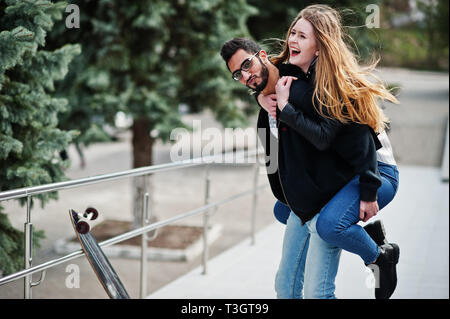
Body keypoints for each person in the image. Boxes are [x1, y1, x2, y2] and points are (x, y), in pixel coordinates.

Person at [220, 6, 399, 299]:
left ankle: (379, 256)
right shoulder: (285, 83)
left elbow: (360, 143)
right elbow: (275, 159)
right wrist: (264, 100)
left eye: (303, 36)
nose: (245, 76)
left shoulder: (322, 87)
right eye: (238, 75)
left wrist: (368, 192)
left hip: (372, 171)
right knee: (285, 212)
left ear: (320, 46)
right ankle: (359, 235)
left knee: (328, 230)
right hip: (337, 176)